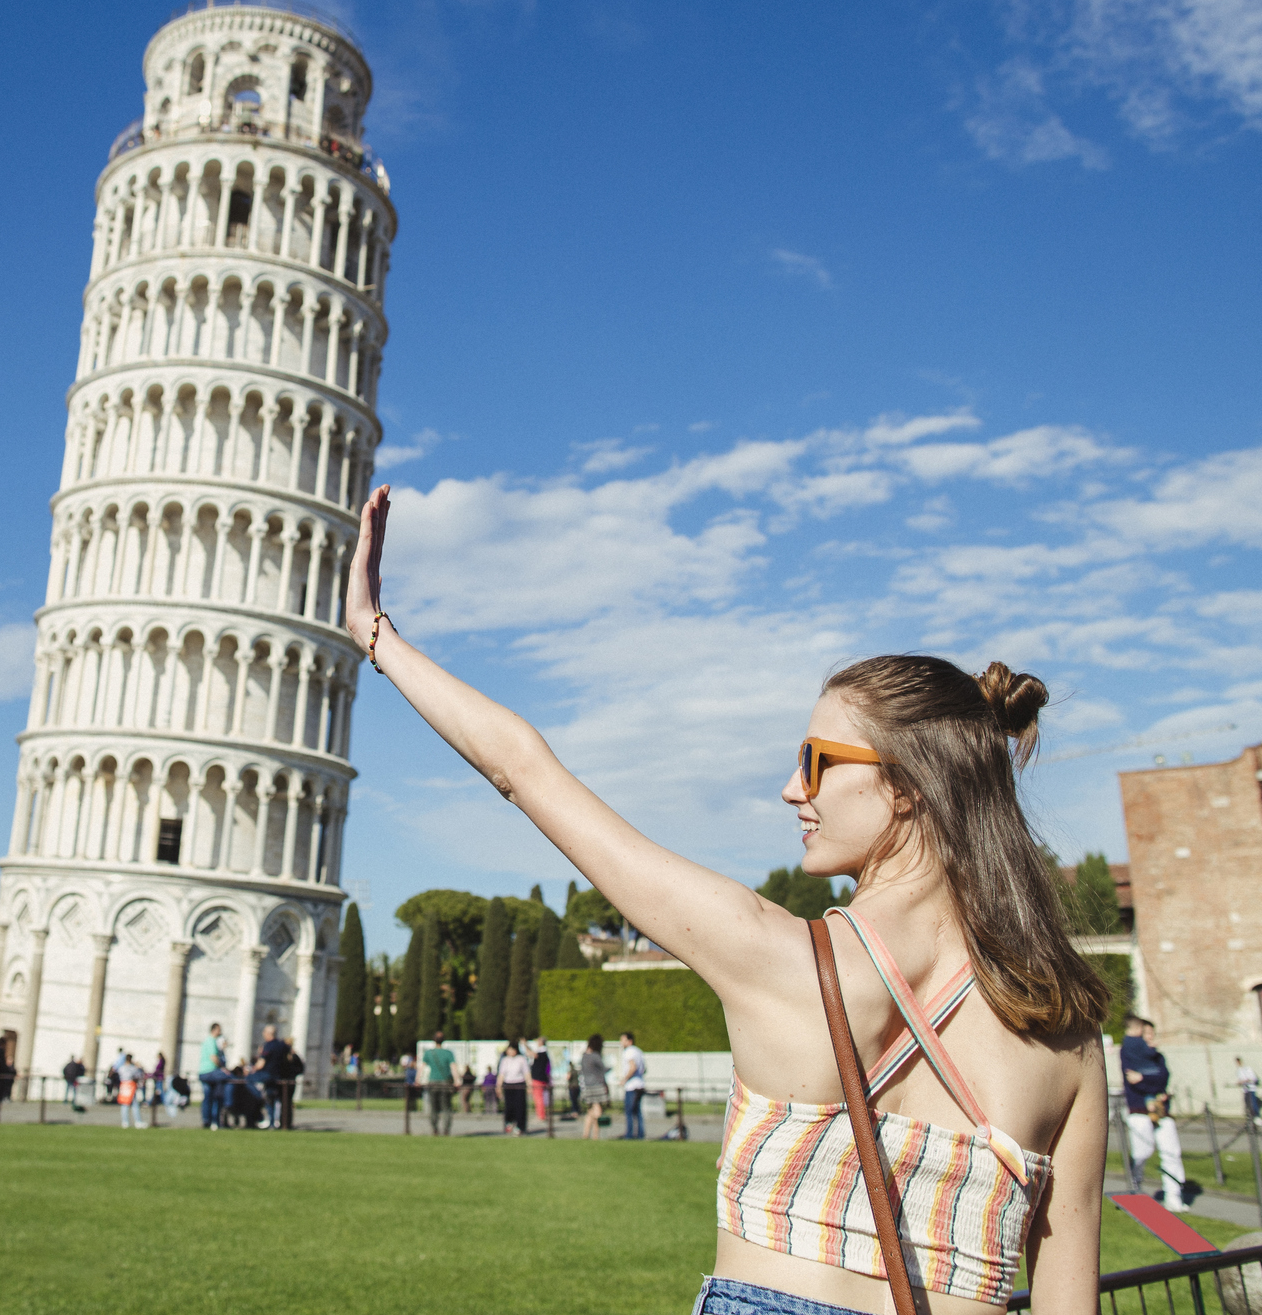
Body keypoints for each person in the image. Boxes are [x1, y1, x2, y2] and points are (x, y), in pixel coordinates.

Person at [342, 482, 1109, 1312]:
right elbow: (1071, 1297)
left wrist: (375, 635)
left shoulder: (774, 957)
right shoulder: (1065, 1031)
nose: (790, 789)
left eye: (815, 760)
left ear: (905, 788)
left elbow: (522, 771)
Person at [1121, 1016, 1185, 1212]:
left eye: (1152, 1034)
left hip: (1161, 1111)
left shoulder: (1158, 1057)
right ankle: (1135, 1187)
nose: (1150, 1037)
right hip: (1139, 1111)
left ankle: (1174, 1196)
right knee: (1142, 1152)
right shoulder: (1129, 1052)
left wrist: (1144, 1079)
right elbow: (1133, 1080)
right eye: (1146, 1033)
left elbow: (1162, 1078)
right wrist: (1147, 1080)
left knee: (1171, 1152)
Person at [421, 1031, 457, 1136]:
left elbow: (422, 1068)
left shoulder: (429, 1053)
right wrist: (457, 1081)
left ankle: (435, 1128)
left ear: (434, 1040)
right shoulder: (448, 1053)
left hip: (433, 1082)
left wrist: (417, 1080)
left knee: (433, 1107)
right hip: (445, 1083)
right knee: (446, 1107)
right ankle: (446, 1130)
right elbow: (453, 1068)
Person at [260, 1025, 293, 1129]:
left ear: (269, 1034)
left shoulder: (268, 1045)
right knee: (279, 1101)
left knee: (269, 1099)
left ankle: (271, 1122)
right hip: (281, 1076)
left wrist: (252, 1070)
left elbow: (261, 1062)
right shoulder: (282, 1045)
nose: (263, 1034)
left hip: (269, 1076)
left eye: (264, 1032)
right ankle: (279, 1123)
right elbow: (290, 1056)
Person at [578, 1035, 610, 1140]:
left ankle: (585, 1134)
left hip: (587, 1086)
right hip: (597, 1086)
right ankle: (595, 1135)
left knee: (590, 1111)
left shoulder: (584, 1056)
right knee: (597, 1111)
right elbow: (603, 1070)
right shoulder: (596, 1056)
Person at [618, 1030, 647, 1139]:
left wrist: (625, 1079)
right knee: (638, 1111)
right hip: (640, 1084)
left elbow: (632, 1067)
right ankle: (640, 1134)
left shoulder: (629, 1051)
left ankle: (629, 1134)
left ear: (629, 1041)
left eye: (623, 1040)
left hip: (632, 1086)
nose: (621, 1042)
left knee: (629, 1111)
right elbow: (644, 1069)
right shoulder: (639, 1051)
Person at [198, 1023, 227, 1129]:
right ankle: (214, 1120)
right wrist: (223, 1068)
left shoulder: (207, 1041)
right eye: (219, 1030)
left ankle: (206, 1120)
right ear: (214, 1030)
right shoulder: (211, 1041)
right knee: (216, 1096)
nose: (220, 1032)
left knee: (207, 1097)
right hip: (210, 1072)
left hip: (203, 1072)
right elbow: (214, 1057)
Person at [498, 1041, 530, 1135]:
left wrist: (529, 1085)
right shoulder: (505, 1060)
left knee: (520, 1106)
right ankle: (509, 1122)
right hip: (508, 1085)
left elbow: (526, 1073)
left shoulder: (521, 1059)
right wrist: (498, 1086)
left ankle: (520, 1127)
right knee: (509, 1106)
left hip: (519, 1084)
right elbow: (501, 1074)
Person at [117, 1053, 146, 1128]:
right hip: (130, 1085)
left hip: (123, 1085)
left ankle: (125, 1121)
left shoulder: (121, 1067)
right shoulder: (133, 1068)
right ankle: (138, 1121)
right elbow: (138, 1075)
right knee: (134, 1103)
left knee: (125, 1103)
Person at [1235, 1056, 1262, 1128]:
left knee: (1253, 1104)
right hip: (1245, 1090)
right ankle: (1249, 1119)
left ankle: (1257, 1117)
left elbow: (1253, 1078)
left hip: (1251, 1089)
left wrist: (1244, 1081)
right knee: (1247, 1105)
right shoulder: (1239, 1070)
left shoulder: (1247, 1069)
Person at [529, 1038, 551, 1124]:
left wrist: (525, 1045)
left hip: (538, 1078)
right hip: (541, 1078)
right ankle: (540, 1114)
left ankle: (541, 1115)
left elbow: (533, 1054)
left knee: (538, 1097)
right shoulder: (544, 1052)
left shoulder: (542, 1051)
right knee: (538, 1097)